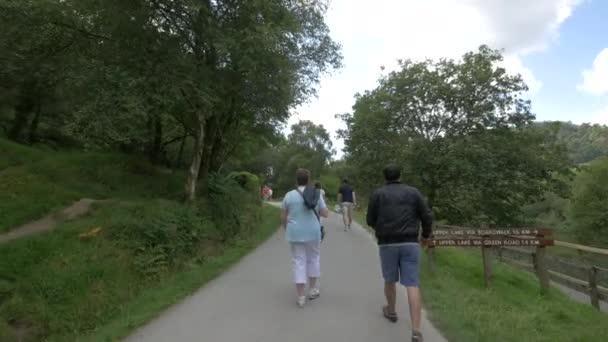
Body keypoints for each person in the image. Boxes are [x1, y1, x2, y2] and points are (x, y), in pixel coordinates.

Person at [366, 164, 433, 342]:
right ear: (400, 175)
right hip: (410, 242)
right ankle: (417, 330)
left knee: (389, 280)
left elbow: (369, 220)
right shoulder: (414, 192)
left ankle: (391, 310)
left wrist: (381, 229)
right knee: (412, 283)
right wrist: (425, 236)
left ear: (385, 177)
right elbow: (426, 216)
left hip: (387, 243)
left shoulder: (378, 194)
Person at [281, 169, 329, 307]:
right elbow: (325, 214)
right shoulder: (316, 193)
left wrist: (287, 228)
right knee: (313, 259)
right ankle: (313, 289)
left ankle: (301, 296)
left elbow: (283, 217)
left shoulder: (288, 196)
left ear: (296, 180)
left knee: (298, 261)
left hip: (295, 232)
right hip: (313, 233)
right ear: (308, 180)